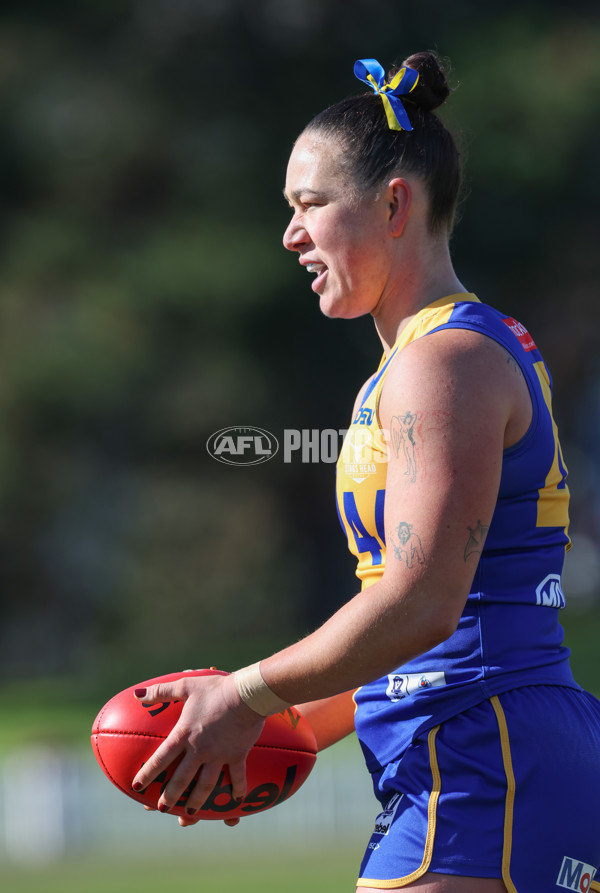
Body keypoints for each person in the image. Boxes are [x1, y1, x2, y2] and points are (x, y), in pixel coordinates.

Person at [131, 52, 600, 892]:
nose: (291, 234)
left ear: (393, 204)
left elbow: (424, 603)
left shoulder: (442, 363)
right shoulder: (430, 359)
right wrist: (288, 726)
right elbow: (430, 617)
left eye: (310, 204)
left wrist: (244, 695)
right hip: (473, 746)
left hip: (480, 750)